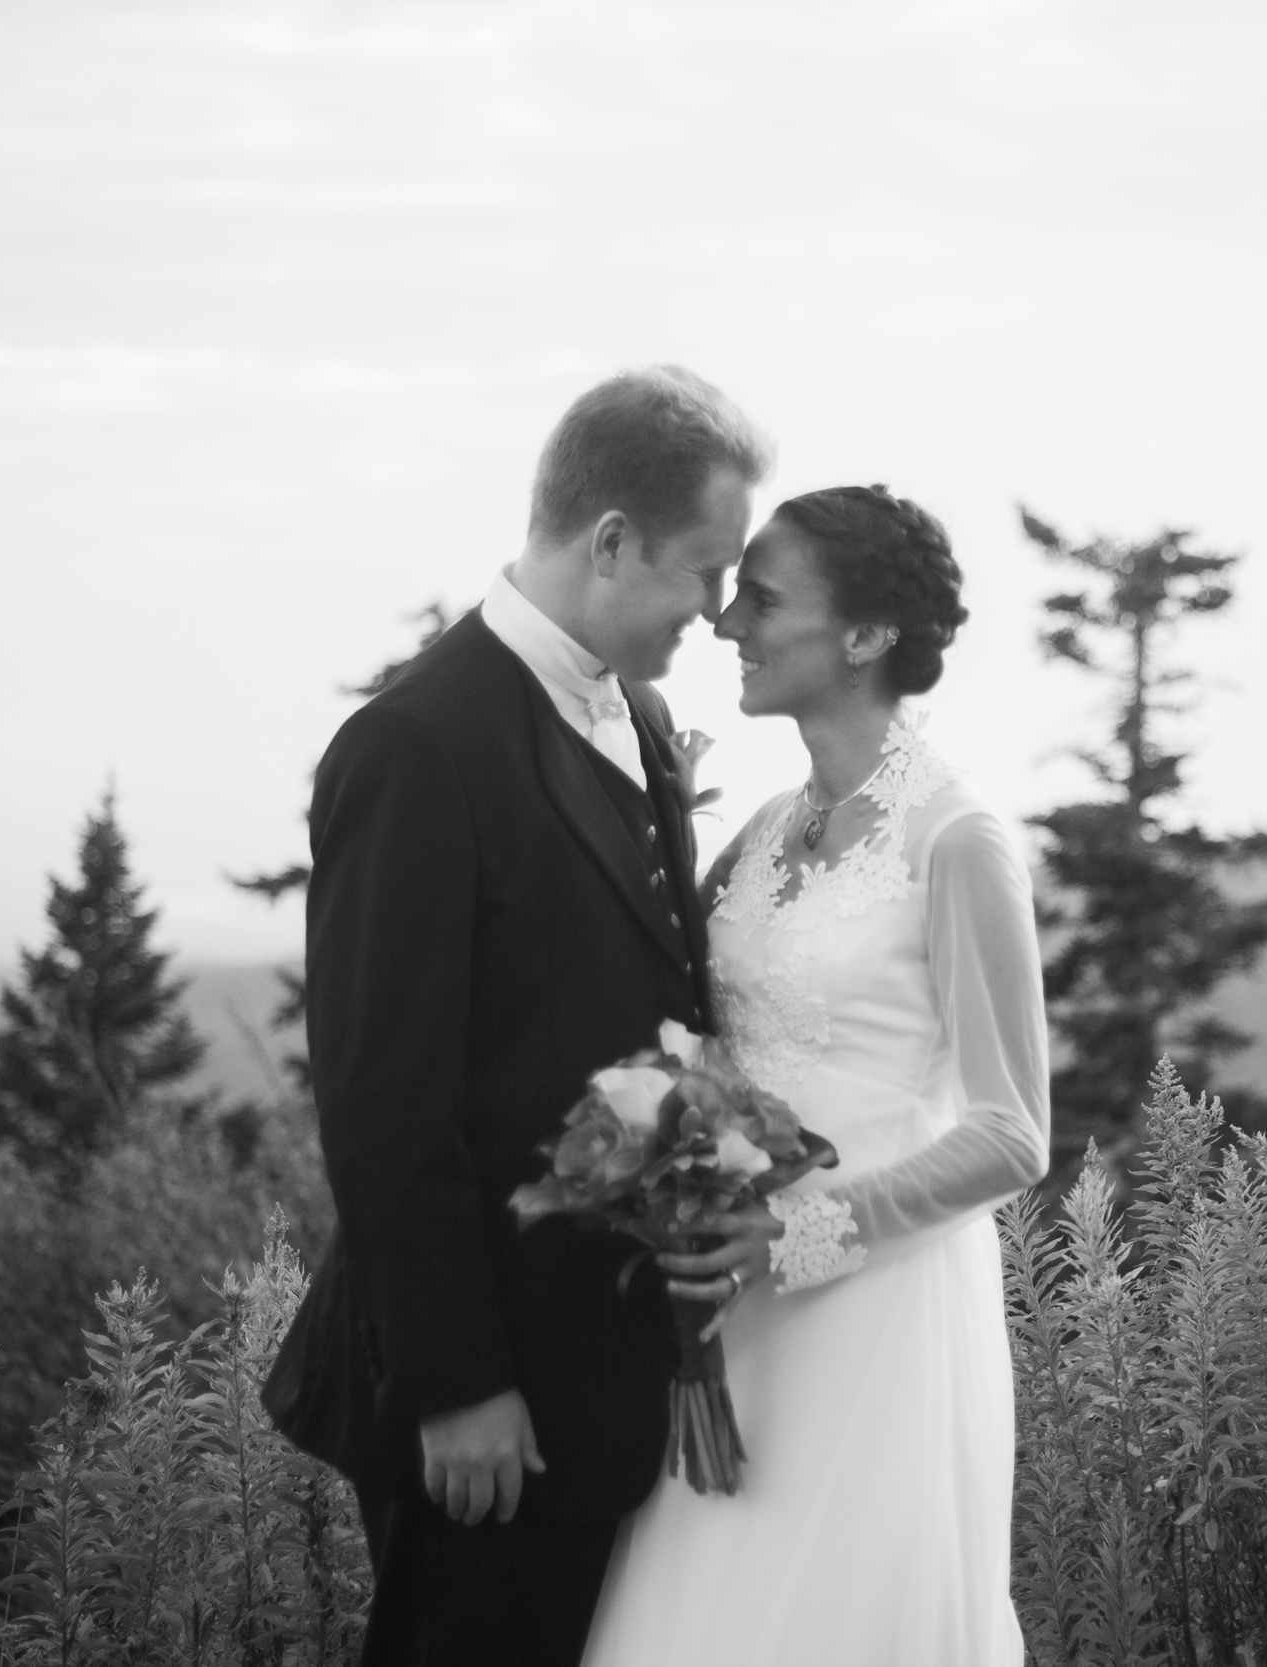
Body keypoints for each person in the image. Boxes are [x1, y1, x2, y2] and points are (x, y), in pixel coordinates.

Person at [261, 366, 771, 1665]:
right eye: (705, 571)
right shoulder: (416, 745)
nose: (720, 612)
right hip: (487, 1402)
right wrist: (457, 1380)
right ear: (611, 542)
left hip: (603, 1371)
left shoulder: (642, 719)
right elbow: (383, 1100)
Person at [582, 485, 1050, 1666]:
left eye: (763, 598)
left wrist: (793, 1239)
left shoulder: (958, 841)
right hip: (733, 1315)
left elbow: (1010, 1134)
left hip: (870, 1316)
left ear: (865, 637)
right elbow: (695, 1033)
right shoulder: (759, 831)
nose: (729, 622)